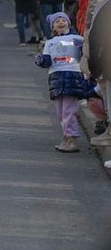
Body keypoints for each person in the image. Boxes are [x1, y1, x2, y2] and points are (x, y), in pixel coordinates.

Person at [34, 12, 98, 153]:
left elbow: (85, 53)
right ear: (53, 27)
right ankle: (66, 137)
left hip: (72, 76)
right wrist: (40, 60)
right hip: (56, 79)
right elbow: (47, 60)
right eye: (57, 21)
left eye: (64, 20)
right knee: (60, 112)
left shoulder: (77, 39)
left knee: (69, 111)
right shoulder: (50, 43)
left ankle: (72, 139)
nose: (61, 22)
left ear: (69, 23)